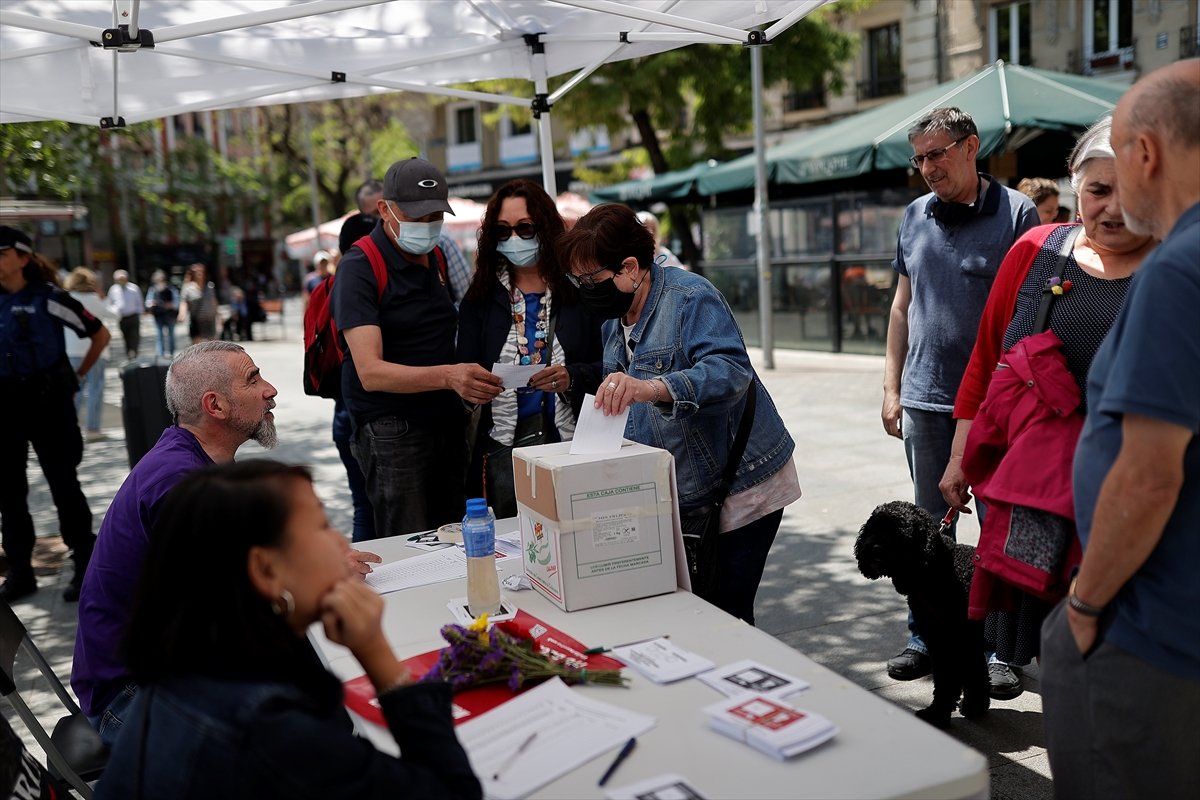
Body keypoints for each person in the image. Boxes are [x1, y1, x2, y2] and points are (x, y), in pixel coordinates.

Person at [96, 461, 482, 800]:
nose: (340, 541)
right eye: (322, 525)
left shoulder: (195, 662)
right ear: (265, 570)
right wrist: (375, 651)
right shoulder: (269, 728)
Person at [939, 116, 1155, 700]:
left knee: (1121, 645)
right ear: (1074, 187)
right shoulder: (1036, 250)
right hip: (1037, 488)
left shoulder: (1176, 268)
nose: (1112, 208)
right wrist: (960, 457)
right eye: (1097, 190)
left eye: (1129, 190)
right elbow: (987, 361)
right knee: (1058, 645)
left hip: (1132, 496)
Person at [1042, 58, 1200, 798]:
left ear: (1145, 154)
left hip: (1150, 627)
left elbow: (1148, 473)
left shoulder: (1177, 270)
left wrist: (1085, 606)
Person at [558, 204, 801, 625]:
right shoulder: (612, 323)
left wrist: (653, 387)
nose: (584, 290)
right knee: (693, 612)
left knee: (726, 614)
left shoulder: (690, 297)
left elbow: (730, 371)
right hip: (683, 489)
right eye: (576, 281)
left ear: (630, 267)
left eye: (590, 280)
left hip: (743, 484)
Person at [881, 107, 1040, 683]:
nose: (926, 167)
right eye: (919, 157)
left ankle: (1001, 651)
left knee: (1000, 526)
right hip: (926, 401)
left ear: (971, 147)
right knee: (926, 531)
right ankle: (925, 639)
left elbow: (1029, 317)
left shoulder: (1017, 214)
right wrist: (891, 385)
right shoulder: (914, 216)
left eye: (937, 153)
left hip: (997, 408)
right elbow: (901, 307)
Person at [332, 158, 502, 537]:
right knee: (409, 543)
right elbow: (370, 372)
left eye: (434, 217)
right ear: (384, 210)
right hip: (392, 430)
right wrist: (449, 376)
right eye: (417, 217)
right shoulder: (359, 266)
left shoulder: (437, 255)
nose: (427, 227)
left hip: (444, 421)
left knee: (454, 537)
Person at [457, 179, 603, 517]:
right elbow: (463, 373)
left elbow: (613, 366)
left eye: (525, 228)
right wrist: (474, 387)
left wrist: (572, 377)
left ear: (545, 227)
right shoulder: (479, 299)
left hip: (574, 445)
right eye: (502, 231)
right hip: (504, 451)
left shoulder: (579, 290)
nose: (514, 239)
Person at [0, 227, 110, 602]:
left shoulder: (49, 297)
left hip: (49, 404)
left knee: (63, 484)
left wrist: (78, 376)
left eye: (2, 254)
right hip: (6, 406)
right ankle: (19, 571)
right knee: (9, 493)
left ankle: (85, 564)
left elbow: (100, 334)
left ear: (23, 258)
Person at [354, 178, 473, 305]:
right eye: (374, 213)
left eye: (435, 216)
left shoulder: (441, 243)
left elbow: (468, 300)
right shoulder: (361, 259)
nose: (381, 217)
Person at [64, 267, 114, 440]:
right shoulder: (93, 299)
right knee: (95, 389)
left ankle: (70, 426)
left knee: (74, 390)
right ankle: (92, 429)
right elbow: (115, 315)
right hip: (95, 351)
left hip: (71, 351)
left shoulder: (67, 298)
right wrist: (104, 298)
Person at [105, 268, 143, 359]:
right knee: (125, 337)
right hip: (121, 317)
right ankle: (129, 354)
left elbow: (139, 302)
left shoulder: (133, 288)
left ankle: (134, 353)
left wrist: (140, 313)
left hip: (133, 316)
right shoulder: (113, 290)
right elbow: (109, 303)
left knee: (134, 336)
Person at [179, 263, 218, 344]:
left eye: (201, 271)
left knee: (212, 344)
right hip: (196, 319)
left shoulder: (210, 286)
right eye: (197, 272)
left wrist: (218, 314)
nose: (199, 274)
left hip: (209, 318)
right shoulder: (188, 288)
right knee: (196, 344)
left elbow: (214, 301)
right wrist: (181, 314)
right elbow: (184, 302)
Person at [144, 268, 178, 356]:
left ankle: (172, 353)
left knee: (171, 335)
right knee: (159, 336)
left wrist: (169, 305)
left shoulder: (171, 289)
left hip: (170, 315)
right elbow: (148, 302)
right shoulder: (153, 290)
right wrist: (152, 303)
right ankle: (161, 355)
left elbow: (176, 303)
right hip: (158, 315)